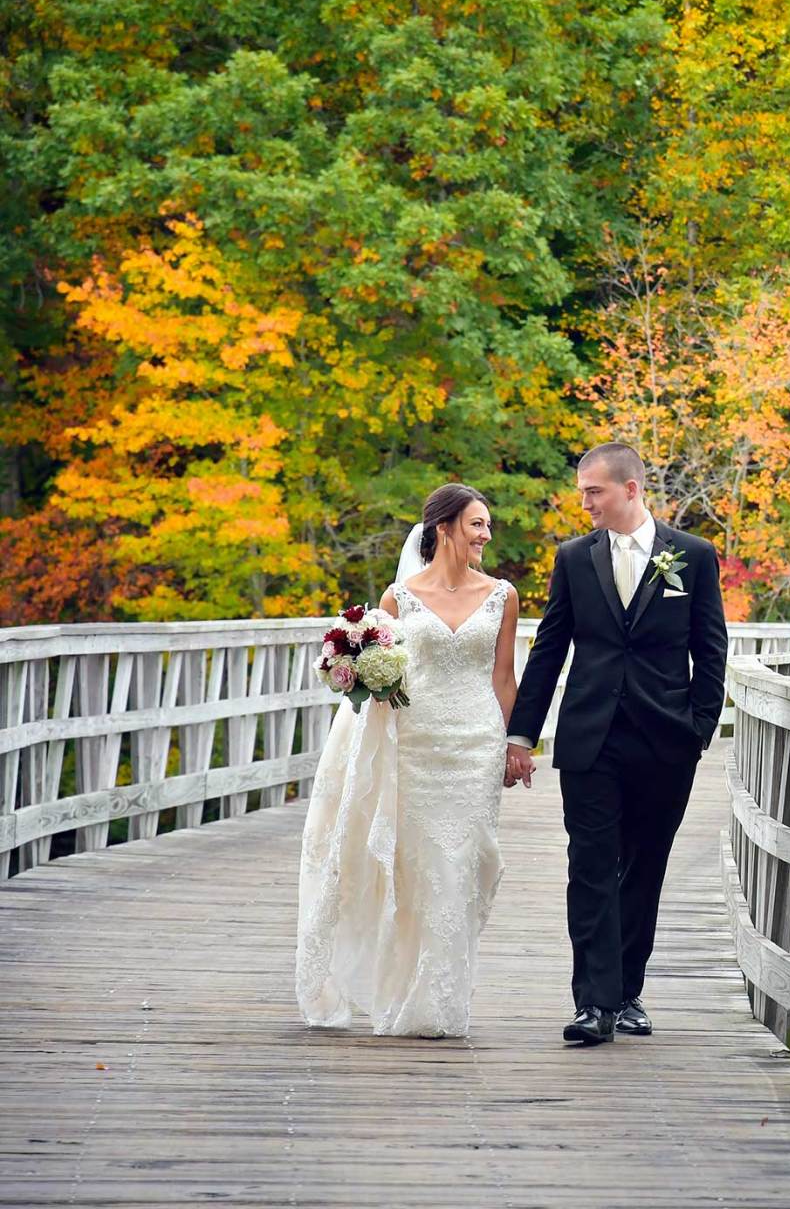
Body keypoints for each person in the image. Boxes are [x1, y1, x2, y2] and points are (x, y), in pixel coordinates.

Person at [505, 443, 728, 1045]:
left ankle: (628, 991)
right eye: (582, 492)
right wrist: (522, 732)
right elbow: (550, 648)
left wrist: (699, 730)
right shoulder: (574, 558)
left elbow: (711, 651)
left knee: (644, 868)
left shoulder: (694, 556)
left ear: (630, 489)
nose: (585, 504)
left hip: (666, 742)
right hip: (591, 738)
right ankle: (594, 1005)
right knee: (592, 866)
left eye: (594, 491)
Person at [295, 483, 527, 1038]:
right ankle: (408, 996)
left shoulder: (503, 595)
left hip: (474, 743)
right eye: (477, 524)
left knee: (465, 865)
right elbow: (390, 674)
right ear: (444, 528)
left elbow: (503, 677)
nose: (486, 535)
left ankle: (444, 998)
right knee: (417, 871)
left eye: (488, 525)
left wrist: (517, 745)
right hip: (416, 744)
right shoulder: (400, 597)